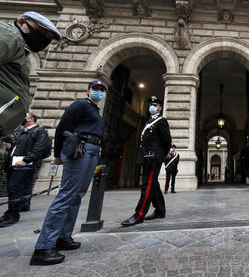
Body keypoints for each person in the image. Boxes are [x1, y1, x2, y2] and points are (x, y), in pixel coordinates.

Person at [30, 80, 107, 266]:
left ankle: (63, 236)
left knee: (77, 195)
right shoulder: (80, 104)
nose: (99, 92)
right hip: (79, 151)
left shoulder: (95, 110)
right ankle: (43, 247)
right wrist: (57, 155)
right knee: (66, 195)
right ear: (88, 90)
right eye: (95, 89)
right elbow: (62, 128)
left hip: (91, 151)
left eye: (102, 90)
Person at [0, 11, 61, 137]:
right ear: (21, 22)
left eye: (49, 37)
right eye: (42, 32)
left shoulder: (18, 43)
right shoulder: (11, 36)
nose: (44, 38)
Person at [121, 96, 171, 227]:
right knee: (152, 184)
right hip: (146, 157)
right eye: (150, 105)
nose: (151, 107)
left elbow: (167, 141)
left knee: (147, 185)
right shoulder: (149, 120)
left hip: (154, 158)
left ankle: (139, 214)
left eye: (154, 105)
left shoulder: (161, 121)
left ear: (159, 108)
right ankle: (160, 210)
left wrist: (162, 154)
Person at [0, 113, 51, 228]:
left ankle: (13, 215)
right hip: (15, 163)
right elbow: (22, 147)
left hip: (24, 164)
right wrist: (11, 146)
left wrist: (26, 160)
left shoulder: (39, 131)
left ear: (31, 119)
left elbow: (39, 147)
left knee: (14, 187)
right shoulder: (23, 132)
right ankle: (12, 211)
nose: (21, 118)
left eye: (25, 116)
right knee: (13, 188)